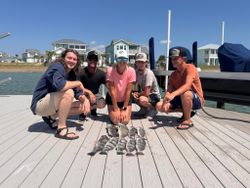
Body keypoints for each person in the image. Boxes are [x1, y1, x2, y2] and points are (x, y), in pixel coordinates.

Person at [30, 49, 90, 140]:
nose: (72, 61)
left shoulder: (72, 73)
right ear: (63, 58)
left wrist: (85, 100)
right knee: (68, 92)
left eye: (74, 59)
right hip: (39, 104)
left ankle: (51, 117)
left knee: (82, 106)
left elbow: (77, 92)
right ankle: (61, 128)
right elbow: (61, 85)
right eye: (69, 58)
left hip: (51, 104)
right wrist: (78, 83)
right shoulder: (57, 67)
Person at [156, 47, 205, 129]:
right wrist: (164, 102)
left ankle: (187, 120)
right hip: (181, 99)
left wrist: (173, 94)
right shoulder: (173, 75)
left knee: (186, 93)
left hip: (196, 100)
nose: (172, 61)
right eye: (172, 59)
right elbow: (169, 90)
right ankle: (188, 112)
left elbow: (187, 85)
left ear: (184, 59)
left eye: (175, 58)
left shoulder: (190, 68)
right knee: (158, 106)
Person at [106, 49, 136, 125]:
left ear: (127, 60)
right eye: (119, 58)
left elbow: (128, 91)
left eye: (124, 59)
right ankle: (115, 109)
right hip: (113, 99)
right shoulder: (110, 70)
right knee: (116, 121)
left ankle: (122, 109)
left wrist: (124, 108)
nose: (122, 61)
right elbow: (112, 91)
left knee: (124, 121)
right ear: (116, 59)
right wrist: (116, 109)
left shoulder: (131, 71)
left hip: (125, 100)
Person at [78, 50, 106, 119]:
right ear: (87, 60)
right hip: (83, 93)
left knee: (102, 103)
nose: (93, 61)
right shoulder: (81, 72)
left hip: (96, 95)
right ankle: (83, 111)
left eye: (95, 59)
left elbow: (110, 86)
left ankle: (92, 108)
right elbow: (77, 87)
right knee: (80, 98)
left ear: (97, 61)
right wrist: (89, 93)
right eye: (90, 59)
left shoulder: (102, 74)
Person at [132, 52, 161, 117]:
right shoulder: (136, 72)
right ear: (136, 63)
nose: (140, 64)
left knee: (142, 99)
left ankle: (153, 109)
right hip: (146, 94)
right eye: (138, 62)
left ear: (146, 63)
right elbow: (134, 85)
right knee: (132, 95)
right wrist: (134, 92)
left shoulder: (149, 73)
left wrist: (138, 94)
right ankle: (144, 109)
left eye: (142, 62)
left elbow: (147, 92)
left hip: (154, 95)